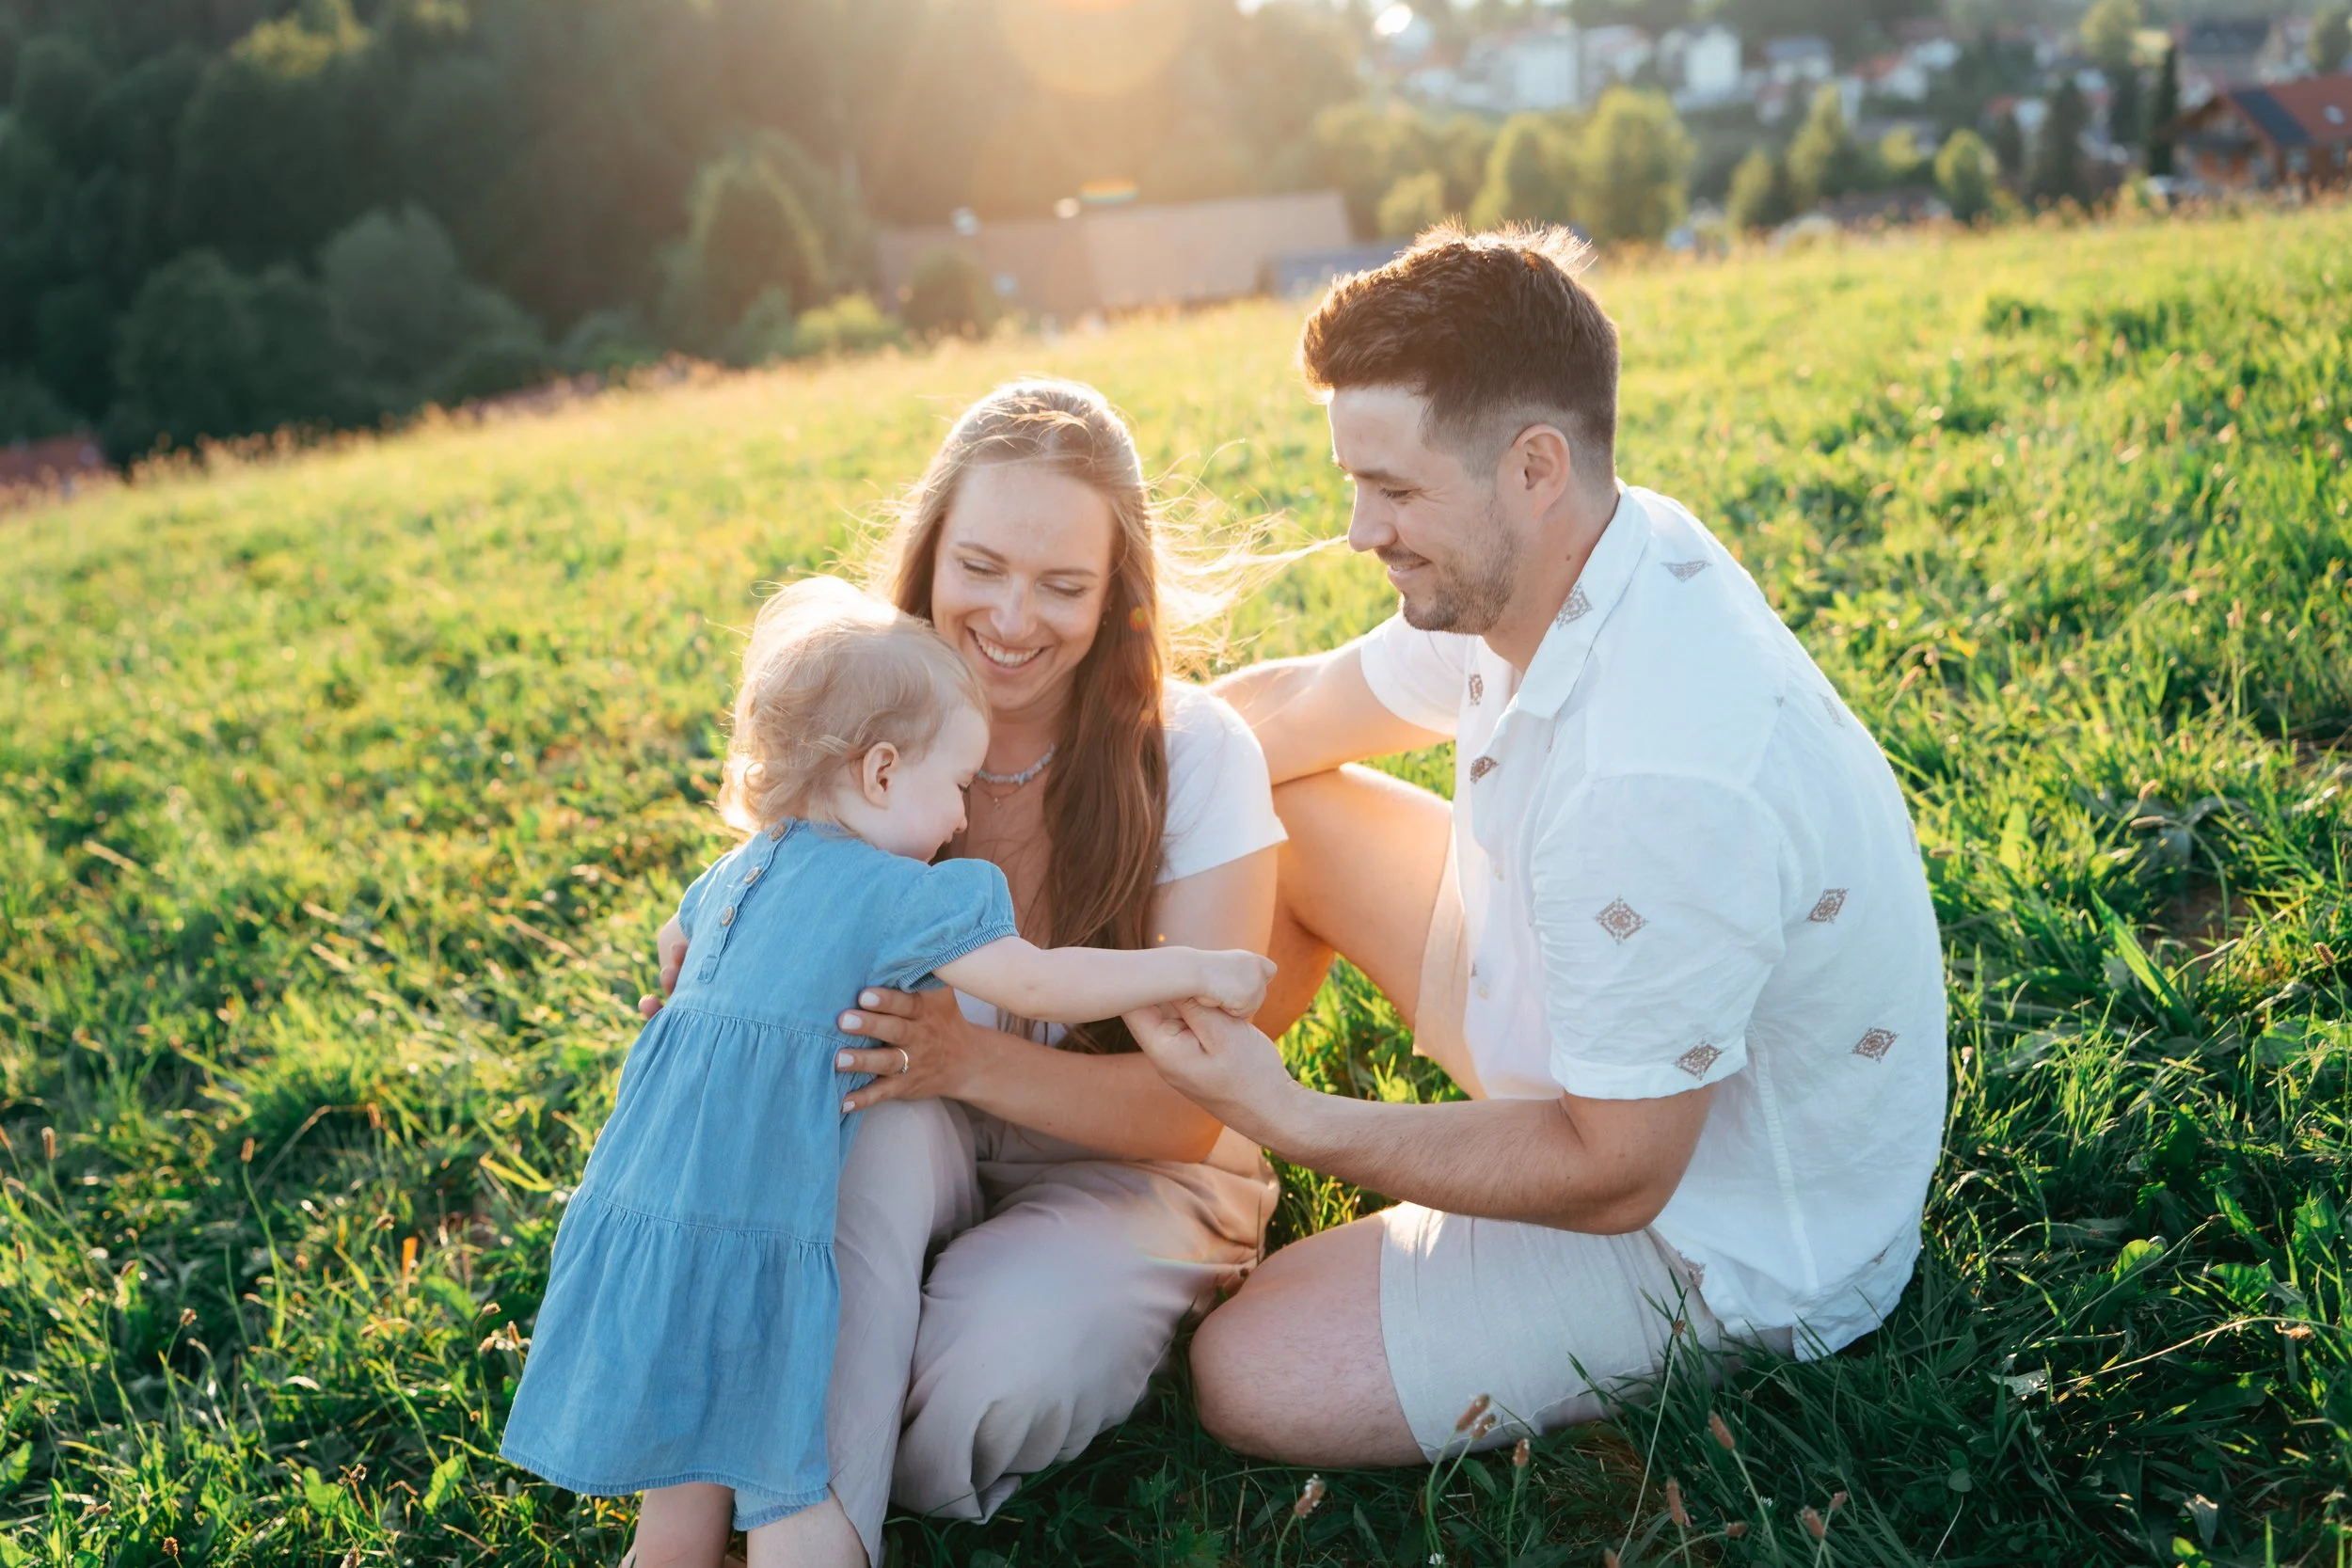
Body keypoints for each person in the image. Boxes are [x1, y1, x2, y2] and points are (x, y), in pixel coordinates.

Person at [1123, 224, 1949, 1466]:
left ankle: (1223, 1115)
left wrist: (1295, 1113)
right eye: (1357, 482)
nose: (1360, 530)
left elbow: (1615, 1172)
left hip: (1721, 1220)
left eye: (1394, 489)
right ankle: (1164, 1115)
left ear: (1533, 465)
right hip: (1599, 1019)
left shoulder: (1652, 774)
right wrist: (1058, 780)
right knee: (1273, 802)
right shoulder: (1560, 557)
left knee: (1251, 1366)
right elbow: (1294, 712)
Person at [501, 578, 1273, 1568]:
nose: (960, 818)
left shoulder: (736, 871)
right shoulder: (895, 890)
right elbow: (1037, 979)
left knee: (680, 1485)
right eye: (953, 783)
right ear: (878, 772)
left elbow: (674, 943)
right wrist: (1192, 968)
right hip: (766, 1220)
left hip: (658, 1205)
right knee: (792, 1463)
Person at [643, 382, 1285, 1565]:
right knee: (860, 1130)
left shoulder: (1194, 755)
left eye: (1063, 585)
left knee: (984, 1383)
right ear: (929, 552)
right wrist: (719, 986)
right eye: (980, 565)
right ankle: (812, 1530)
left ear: (1118, 593)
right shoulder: (862, 732)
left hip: (1134, 1162)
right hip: (902, 1113)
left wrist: (969, 1057)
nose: (1010, 618)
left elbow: (1193, 1116)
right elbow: (775, 901)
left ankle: (791, 1458)